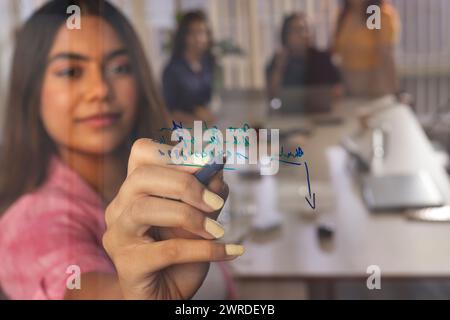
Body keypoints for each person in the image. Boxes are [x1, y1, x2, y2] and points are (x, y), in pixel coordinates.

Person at [0, 0, 243, 300]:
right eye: (71, 72)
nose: (101, 89)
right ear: (31, 91)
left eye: (119, 67)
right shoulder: (30, 226)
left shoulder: (164, 173)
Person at [266, 12, 341, 100]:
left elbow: (337, 89)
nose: (304, 34)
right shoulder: (278, 60)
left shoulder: (322, 58)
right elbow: (272, 96)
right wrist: (279, 67)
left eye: (307, 29)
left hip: (319, 111)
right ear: (286, 34)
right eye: (298, 30)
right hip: (288, 112)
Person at [333, 0, 400, 98]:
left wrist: (395, 90)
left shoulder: (375, 13)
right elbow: (336, 50)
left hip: (372, 86)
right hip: (347, 84)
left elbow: (385, 52)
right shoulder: (344, 15)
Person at [162, 11, 216, 126]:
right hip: (181, 131)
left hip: (205, 129)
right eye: (195, 33)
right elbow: (169, 110)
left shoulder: (208, 64)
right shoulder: (172, 70)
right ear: (184, 36)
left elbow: (206, 102)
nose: (200, 38)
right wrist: (198, 122)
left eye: (203, 32)